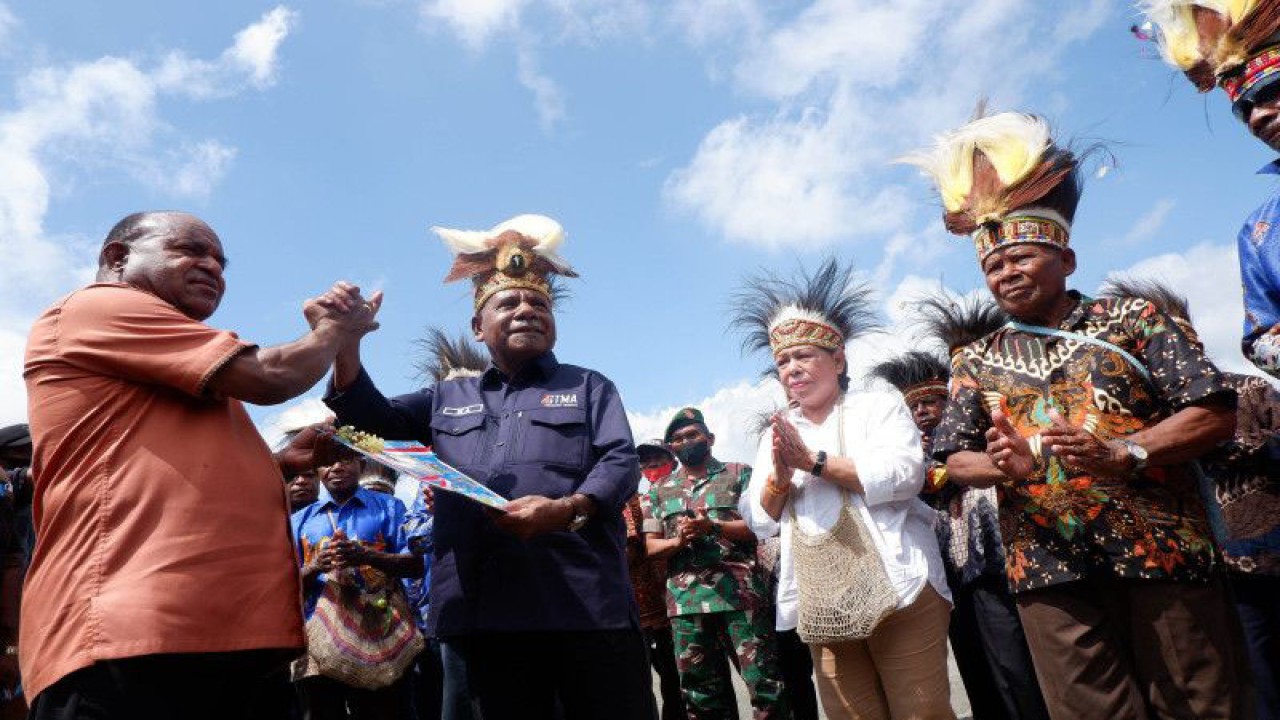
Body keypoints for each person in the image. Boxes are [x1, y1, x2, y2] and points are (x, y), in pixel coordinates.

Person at [903, 110, 1252, 718]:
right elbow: (952, 459)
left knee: (1200, 704)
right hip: (1046, 569)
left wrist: (1127, 450)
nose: (1005, 272)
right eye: (991, 266)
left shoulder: (1135, 320)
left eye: (1022, 257)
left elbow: (1213, 411)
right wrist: (999, 466)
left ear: (1066, 259)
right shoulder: (975, 360)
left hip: (1163, 551)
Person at [20, 210, 380, 720]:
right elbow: (270, 377)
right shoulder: (98, 308)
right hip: (133, 638)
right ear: (117, 258)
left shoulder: (177, 359)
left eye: (221, 260)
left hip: (229, 641)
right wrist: (333, 332)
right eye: (190, 250)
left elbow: (167, 470)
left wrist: (279, 465)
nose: (213, 267)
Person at [323, 214, 651, 720]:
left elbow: (620, 461)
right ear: (478, 326)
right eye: (510, 302)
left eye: (539, 303)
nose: (527, 310)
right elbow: (372, 421)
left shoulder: (590, 386)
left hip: (586, 609)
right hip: (482, 615)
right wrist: (347, 343)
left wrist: (567, 509)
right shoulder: (446, 397)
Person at [734, 258, 954, 720]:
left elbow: (903, 475)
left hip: (901, 585)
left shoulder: (877, 405)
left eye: (804, 355)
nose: (792, 368)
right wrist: (779, 475)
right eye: (782, 362)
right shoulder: (776, 430)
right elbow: (758, 517)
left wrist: (812, 462)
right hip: (822, 598)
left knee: (923, 712)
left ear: (838, 359)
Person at [1101, 275, 1280, 718]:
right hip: (1194, 573)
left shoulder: (1249, 391)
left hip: (1268, 559)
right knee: (1241, 686)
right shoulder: (1126, 427)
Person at [869, 341, 1048, 720]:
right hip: (945, 574)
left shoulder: (977, 436)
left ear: (949, 404)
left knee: (1011, 657)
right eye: (913, 406)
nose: (921, 411)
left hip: (991, 564)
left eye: (930, 402)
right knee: (971, 661)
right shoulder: (904, 450)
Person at [1137, 2, 1280, 375]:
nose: (1256, 116)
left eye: (1271, 92)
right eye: (1244, 108)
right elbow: (1259, 338)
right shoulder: (1259, 232)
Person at [642, 409, 786, 720]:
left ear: (710, 438)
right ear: (671, 447)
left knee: (766, 687)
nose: (686, 441)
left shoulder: (740, 474)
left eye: (693, 434)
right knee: (700, 695)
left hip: (741, 597)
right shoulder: (657, 490)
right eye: (677, 439)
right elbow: (651, 546)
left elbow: (762, 526)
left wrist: (714, 527)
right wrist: (678, 541)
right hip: (686, 604)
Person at [292, 450, 421, 720]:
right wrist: (317, 565)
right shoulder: (299, 520)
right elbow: (282, 584)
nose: (336, 467)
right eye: (328, 461)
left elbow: (416, 565)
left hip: (381, 636)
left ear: (360, 465)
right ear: (317, 470)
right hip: (318, 641)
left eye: (346, 460)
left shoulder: (390, 507)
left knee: (384, 711)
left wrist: (367, 556)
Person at [631, 439, 686, 720]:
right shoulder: (635, 501)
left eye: (658, 462)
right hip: (641, 609)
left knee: (676, 680)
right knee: (640, 684)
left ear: (673, 462)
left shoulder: (684, 497)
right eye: (646, 464)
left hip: (676, 603)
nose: (652, 468)